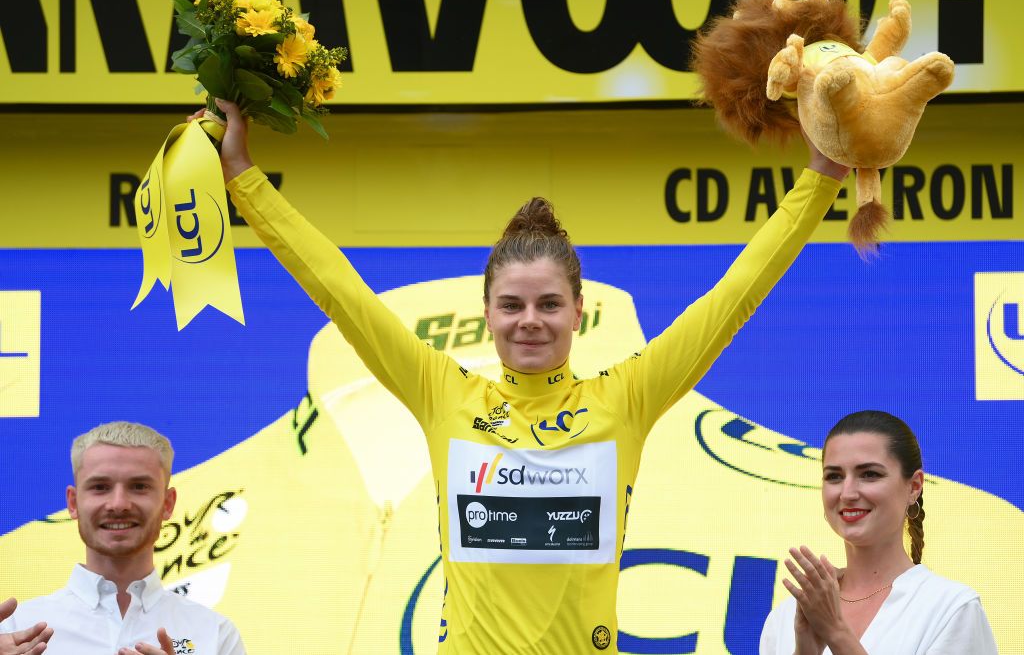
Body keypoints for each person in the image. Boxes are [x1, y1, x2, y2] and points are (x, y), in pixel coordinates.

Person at [199, 97, 848, 653]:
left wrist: (821, 175)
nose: (529, 320)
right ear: (486, 313)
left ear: (578, 312)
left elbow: (735, 294)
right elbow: (339, 288)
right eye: (512, 304)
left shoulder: (626, 397)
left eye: (548, 304)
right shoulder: (443, 392)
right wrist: (242, 176)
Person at [760, 410, 999, 654]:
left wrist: (836, 632)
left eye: (869, 475)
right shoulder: (785, 618)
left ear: (914, 487)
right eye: (834, 476)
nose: (848, 493)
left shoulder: (952, 609)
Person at [0, 422, 246, 655]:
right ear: (73, 503)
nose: (118, 504)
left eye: (139, 486)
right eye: (100, 487)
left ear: (168, 503)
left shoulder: (216, 634)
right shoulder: (14, 630)